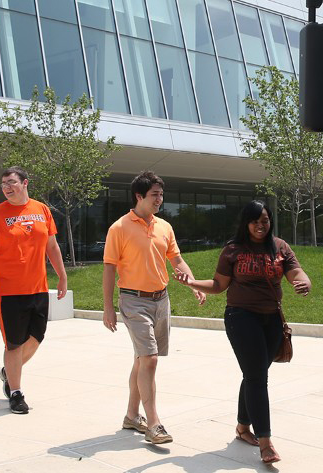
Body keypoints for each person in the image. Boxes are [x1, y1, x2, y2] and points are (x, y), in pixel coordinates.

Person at [178, 200, 311, 463]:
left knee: (255, 374)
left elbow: (297, 272)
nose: (260, 225)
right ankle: (266, 442)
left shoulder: (280, 246)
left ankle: (242, 427)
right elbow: (218, 285)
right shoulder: (233, 250)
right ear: (245, 223)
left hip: (272, 318)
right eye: (255, 221)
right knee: (257, 377)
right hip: (241, 317)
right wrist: (192, 282)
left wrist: (303, 282)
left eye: (265, 220)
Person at [102, 171, 205, 444]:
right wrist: (108, 307)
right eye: (154, 195)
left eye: (161, 194)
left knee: (141, 359)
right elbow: (109, 269)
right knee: (150, 358)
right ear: (139, 196)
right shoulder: (119, 228)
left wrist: (194, 284)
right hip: (133, 300)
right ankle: (154, 424)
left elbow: (177, 261)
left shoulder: (164, 227)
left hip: (161, 299)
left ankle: (131, 416)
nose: (160, 199)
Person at [0, 167, 68, 415]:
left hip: (37, 288)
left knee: (37, 337)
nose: (7, 187)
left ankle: (8, 371)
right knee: (13, 344)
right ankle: (15, 392)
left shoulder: (41, 210)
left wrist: (62, 275)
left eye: (12, 182)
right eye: (3, 183)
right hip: (8, 291)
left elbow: (51, 245)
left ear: (25, 183)